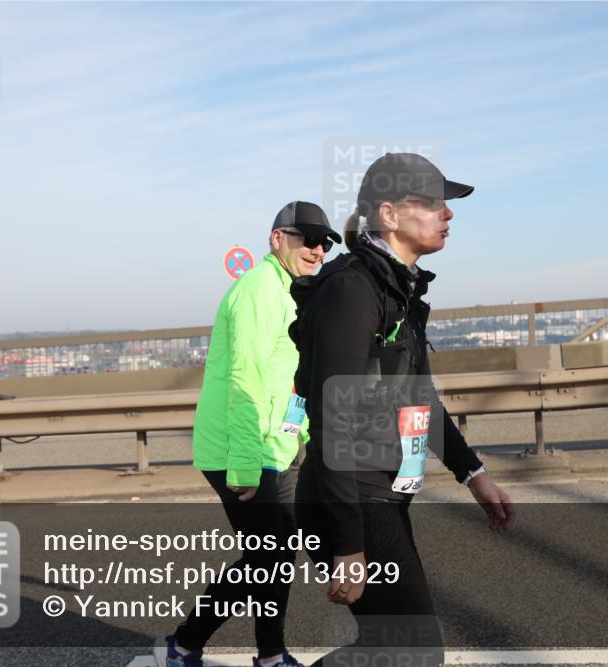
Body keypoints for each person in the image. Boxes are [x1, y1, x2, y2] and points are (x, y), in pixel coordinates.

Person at [290, 153, 516, 666]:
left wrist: (473, 475)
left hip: (381, 492)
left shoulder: (397, 285)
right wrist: (348, 547)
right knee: (415, 653)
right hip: (351, 497)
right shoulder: (352, 289)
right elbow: (331, 422)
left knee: (390, 650)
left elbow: (420, 400)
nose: (448, 214)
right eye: (433, 203)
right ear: (389, 215)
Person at [156, 201, 342, 667]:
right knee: (267, 556)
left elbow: (290, 379)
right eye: (307, 239)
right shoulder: (258, 290)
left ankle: (268, 654)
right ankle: (183, 645)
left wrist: (300, 438)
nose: (318, 250)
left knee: (276, 556)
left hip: (273, 448)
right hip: (239, 450)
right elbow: (245, 380)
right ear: (277, 238)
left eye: (325, 243)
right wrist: (244, 465)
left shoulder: (290, 291)